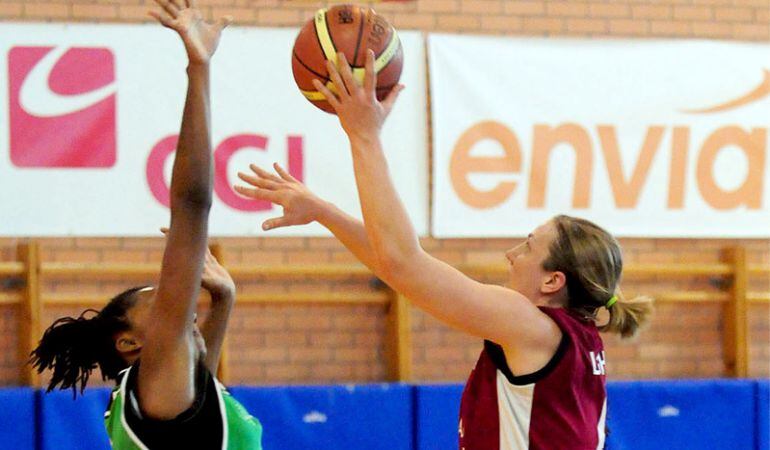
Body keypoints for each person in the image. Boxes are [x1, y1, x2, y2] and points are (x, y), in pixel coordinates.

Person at [234, 51, 653, 449]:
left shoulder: (535, 327)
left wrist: (364, 136)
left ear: (552, 280)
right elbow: (399, 263)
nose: (512, 254)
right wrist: (323, 211)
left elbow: (403, 263)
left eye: (527, 246)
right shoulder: (570, 337)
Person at [30, 2, 263, 448]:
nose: (186, 304)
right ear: (132, 346)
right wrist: (199, 69)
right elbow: (192, 205)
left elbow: (202, 374)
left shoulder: (161, 393)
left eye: (166, 301)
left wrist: (225, 299)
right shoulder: (156, 388)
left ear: (130, 343)